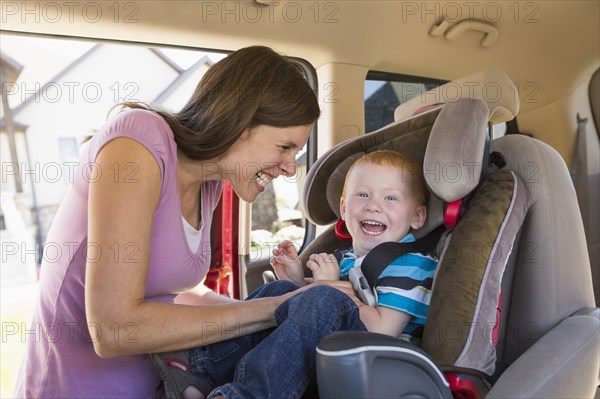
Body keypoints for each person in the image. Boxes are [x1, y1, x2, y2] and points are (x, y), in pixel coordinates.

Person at [13, 45, 359, 399]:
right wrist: (281, 308)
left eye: (296, 154)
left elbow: (174, 289)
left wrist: (288, 305)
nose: (290, 167)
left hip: (161, 384)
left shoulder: (209, 184)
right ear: (241, 123)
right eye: (285, 147)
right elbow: (114, 329)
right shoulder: (137, 145)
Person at [167, 150, 438, 398]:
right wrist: (298, 282)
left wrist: (327, 286)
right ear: (344, 208)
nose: (373, 206)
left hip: (382, 367)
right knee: (279, 293)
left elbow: (381, 330)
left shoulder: (411, 264)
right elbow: (326, 306)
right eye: (363, 195)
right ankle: (203, 372)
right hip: (335, 349)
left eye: (390, 198)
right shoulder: (347, 258)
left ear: (417, 217)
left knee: (320, 299)